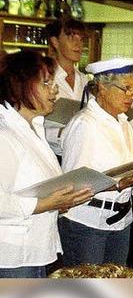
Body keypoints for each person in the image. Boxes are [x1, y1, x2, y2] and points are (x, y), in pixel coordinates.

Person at [0, 51, 94, 278]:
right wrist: (44, 204)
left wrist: (59, 202)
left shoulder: (34, 128)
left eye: (53, 83)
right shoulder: (5, 136)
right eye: (45, 83)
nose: (55, 90)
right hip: (13, 256)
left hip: (37, 248)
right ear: (20, 86)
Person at [59, 57, 133, 267]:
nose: (132, 96)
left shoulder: (123, 122)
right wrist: (120, 183)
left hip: (121, 221)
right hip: (87, 222)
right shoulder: (85, 124)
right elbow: (74, 184)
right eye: (126, 89)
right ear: (103, 88)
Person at [43, 17, 89, 156]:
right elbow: (30, 123)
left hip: (79, 151)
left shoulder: (85, 80)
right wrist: (64, 133)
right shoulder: (44, 78)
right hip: (50, 153)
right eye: (71, 37)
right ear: (55, 41)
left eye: (81, 39)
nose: (78, 44)